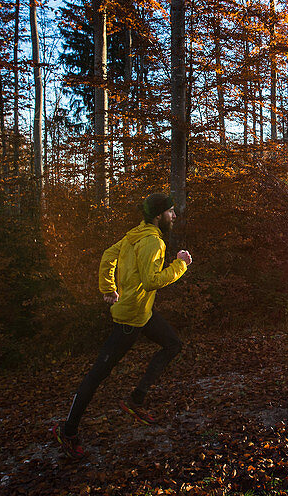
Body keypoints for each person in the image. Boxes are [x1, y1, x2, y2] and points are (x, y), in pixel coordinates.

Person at [52, 192, 192, 458]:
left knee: (173, 344)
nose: (174, 216)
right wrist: (181, 265)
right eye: (170, 211)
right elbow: (151, 281)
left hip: (142, 313)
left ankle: (136, 400)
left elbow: (108, 255)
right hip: (129, 319)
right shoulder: (153, 242)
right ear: (158, 215)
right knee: (96, 376)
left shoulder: (135, 235)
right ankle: (68, 431)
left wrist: (108, 288)